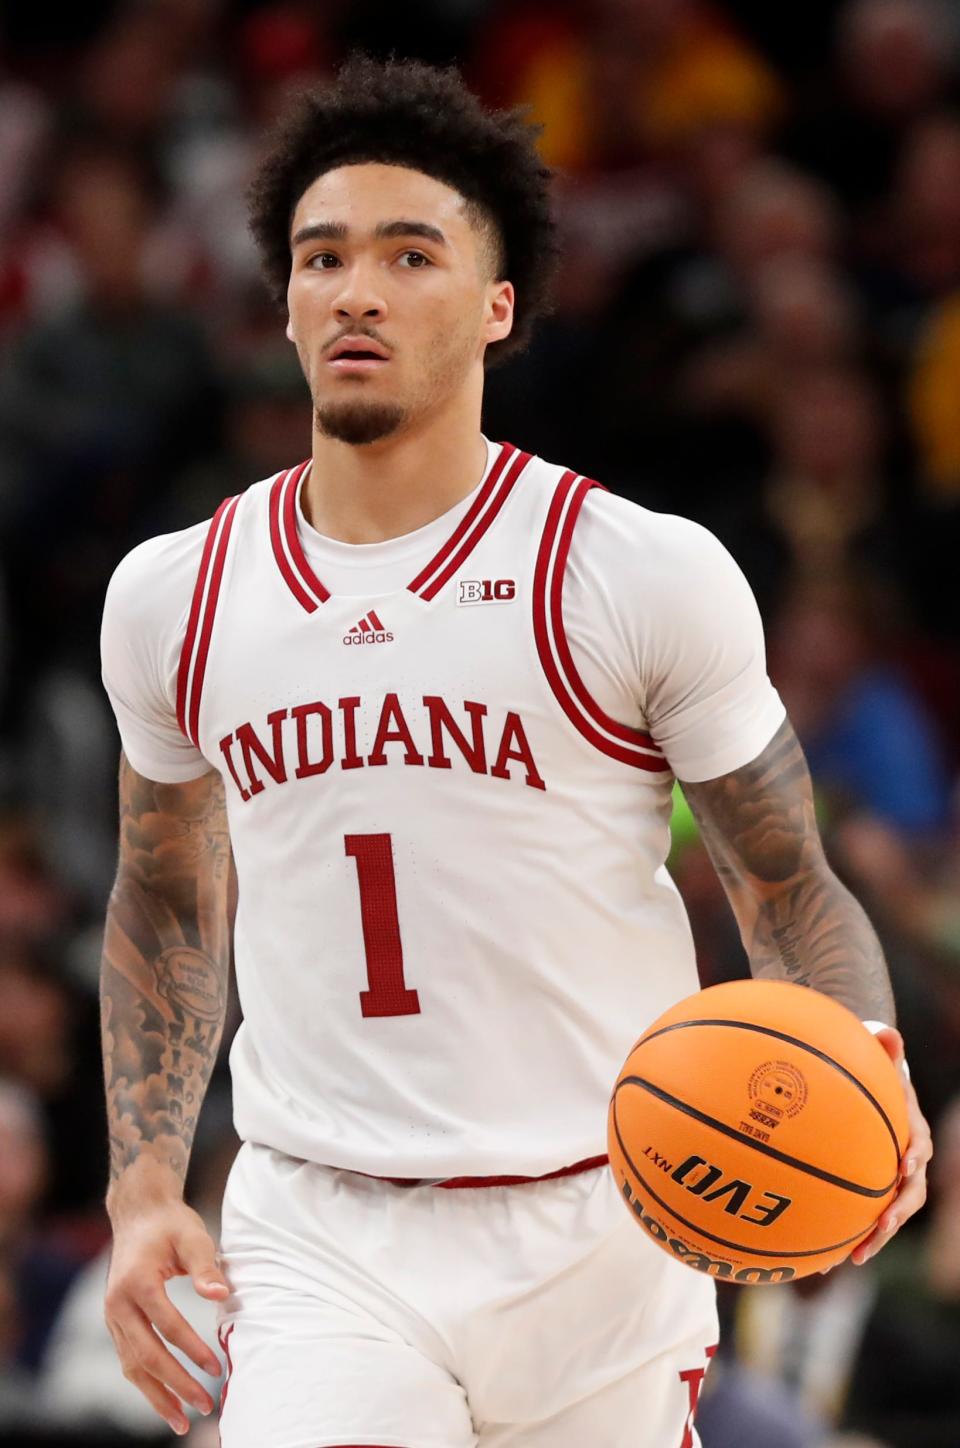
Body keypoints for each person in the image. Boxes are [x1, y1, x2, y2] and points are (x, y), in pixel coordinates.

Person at [97, 56, 931, 1448]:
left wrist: (869, 1057)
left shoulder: (636, 571)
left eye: (408, 254)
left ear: (497, 308)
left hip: (611, 1220)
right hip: (322, 1226)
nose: (356, 288)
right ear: (288, 302)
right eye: (323, 257)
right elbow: (171, 898)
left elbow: (785, 876)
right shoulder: (174, 593)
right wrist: (141, 1189)